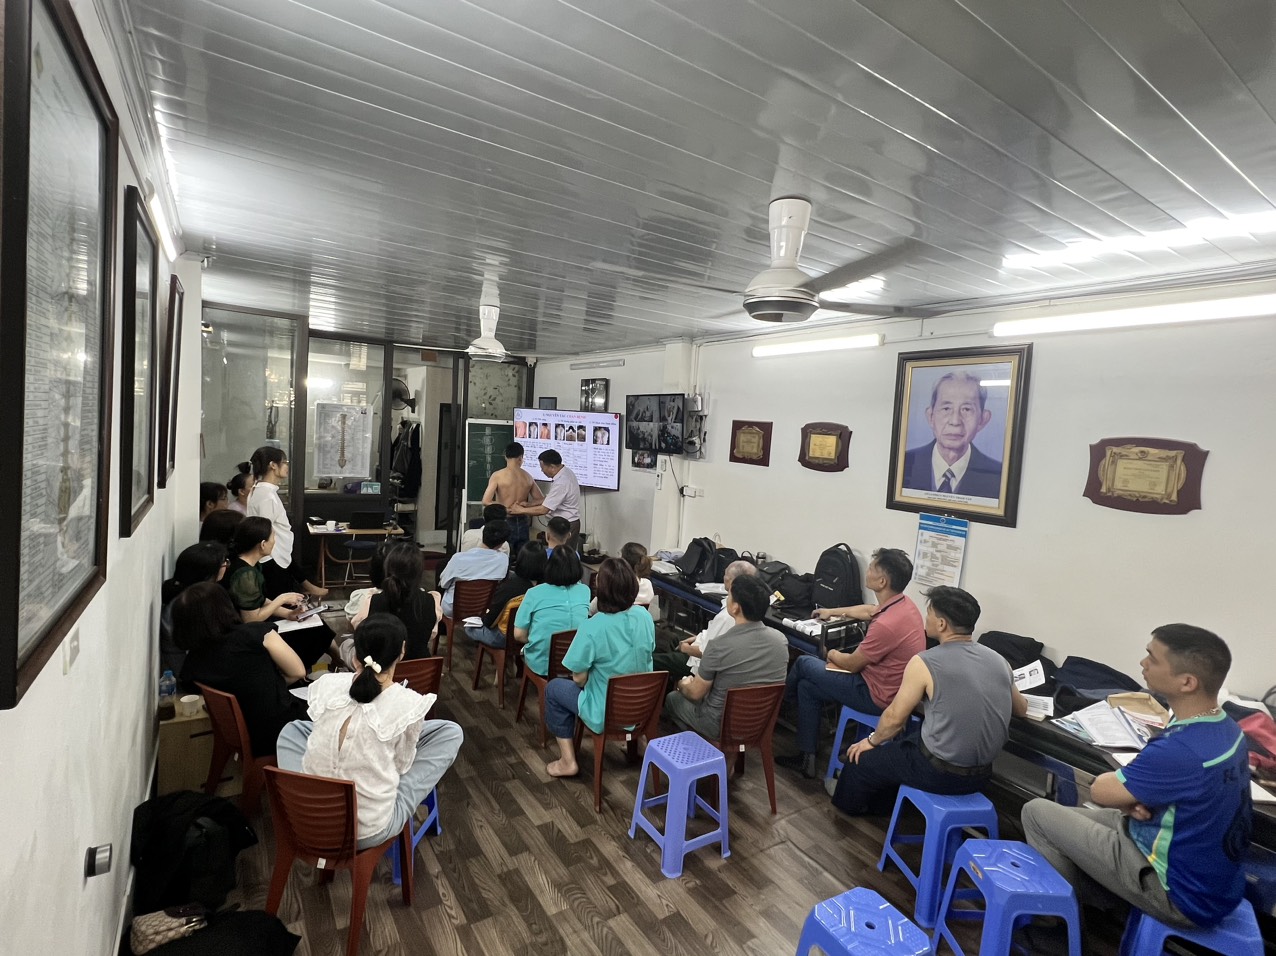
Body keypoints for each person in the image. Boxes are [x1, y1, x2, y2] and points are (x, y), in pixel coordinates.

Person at [1021, 625, 1250, 931]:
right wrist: (1129, 801)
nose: (1143, 664)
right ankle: (1097, 902)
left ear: (1187, 682)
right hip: (1208, 877)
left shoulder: (1182, 749)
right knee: (1081, 819)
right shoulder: (1228, 729)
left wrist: (1124, 796)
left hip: (1178, 894)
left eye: (1152, 658)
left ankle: (1060, 924)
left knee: (1036, 812)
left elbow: (1101, 791)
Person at [830, 586, 1027, 815]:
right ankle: (895, 805)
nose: (926, 618)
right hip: (983, 776)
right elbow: (1021, 709)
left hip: (940, 773)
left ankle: (846, 808)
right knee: (907, 743)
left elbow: (894, 718)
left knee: (859, 760)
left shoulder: (924, 662)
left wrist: (871, 742)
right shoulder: (1000, 661)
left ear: (941, 624)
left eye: (930, 613)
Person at [275, 615, 464, 849]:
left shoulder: (328, 684)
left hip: (308, 819)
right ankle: (382, 791)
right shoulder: (409, 703)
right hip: (366, 831)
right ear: (402, 651)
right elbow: (402, 766)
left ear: (355, 655)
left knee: (294, 729)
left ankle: (312, 783)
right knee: (450, 732)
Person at [780, 548, 926, 779]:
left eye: (872, 568)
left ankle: (776, 709)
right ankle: (806, 758)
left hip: (875, 696)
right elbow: (869, 611)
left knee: (804, 663)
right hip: (890, 689)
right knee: (807, 688)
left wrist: (830, 653)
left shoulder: (886, 625)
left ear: (882, 581)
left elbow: (852, 665)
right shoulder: (904, 605)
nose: (867, 571)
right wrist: (831, 611)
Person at [543, 558, 656, 778]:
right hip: (643, 706)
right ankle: (639, 742)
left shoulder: (593, 626)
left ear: (601, 589)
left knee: (554, 689)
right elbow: (648, 652)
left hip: (606, 711)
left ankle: (567, 761)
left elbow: (578, 678)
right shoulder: (644, 616)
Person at [172, 582, 309, 757]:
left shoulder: (192, 663)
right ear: (225, 607)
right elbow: (298, 672)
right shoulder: (255, 634)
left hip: (242, 734)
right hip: (284, 729)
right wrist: (271, 683)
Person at [664, 574, 788, 739]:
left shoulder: (719, 646)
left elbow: (695, 694)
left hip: (719, 726)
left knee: (673, 699)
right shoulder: (781, 641)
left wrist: (683, 684)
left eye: (729, 595)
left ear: (735, 607)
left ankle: (697, 746)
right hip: (759, 723)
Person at [222, 516, 332, 672]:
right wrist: (281, 599)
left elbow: (257, 600)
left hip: (251, 627)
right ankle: (294, 675)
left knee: (318, 627)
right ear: (262, 544)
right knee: (315, 633)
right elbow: (251, 620)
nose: (275, 541)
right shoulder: (245, 574)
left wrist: (288, 614)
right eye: (273, 537)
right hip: (245, 634)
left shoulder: (248, 565)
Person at [652, 561, 758, 682]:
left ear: (732, 582)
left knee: (653, 660)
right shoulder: (747, 610)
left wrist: (686, 649)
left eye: (726, 575)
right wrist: (696, 638)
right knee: (669, 640)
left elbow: (710, 654)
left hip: (697, 663)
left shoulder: (728, 616)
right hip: (700, 647)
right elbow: (715, 636)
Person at [902, 371, 1003, 498]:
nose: (955, 421)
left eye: (966, 409)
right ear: (931, 416)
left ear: (982, 419)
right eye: (946, 408)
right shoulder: (904, 464)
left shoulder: (999, 476)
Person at [245, 445, 328, 599]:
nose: (287, 466)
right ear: (273, 465)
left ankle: (306, 586)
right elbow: (264, 530)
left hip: (275, 554)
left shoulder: (261, 491)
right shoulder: (266, 495)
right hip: (272, 557)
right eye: (284, 462)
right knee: (282, 600)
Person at [347, 542, 438, 660]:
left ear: (387, 568)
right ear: (419, 572)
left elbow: (357, 628)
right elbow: (431, 634)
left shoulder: (373, 600)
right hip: (420, 667)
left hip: (380, 667)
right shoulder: (432, 600)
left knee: (345, 646)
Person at [514, 546, 591, 680]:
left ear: (549, 567)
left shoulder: (534, 593)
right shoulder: (585, 591)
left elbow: (519, 635)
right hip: (576, 665)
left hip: (542, 665)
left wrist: (538, 638)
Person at [159, 542, 228, 677]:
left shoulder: (188, 594)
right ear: (208, 574)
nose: (226, 565)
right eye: (223, 563)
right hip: (187, 671)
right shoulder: (192, 604)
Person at [465, 542, 547, 649]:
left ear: (520, 560)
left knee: (469, 628)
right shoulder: (546, 587)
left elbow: (490, 621)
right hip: (533, 635)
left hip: (504, 637)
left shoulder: (510, 586)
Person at [433, 519, 510, 620]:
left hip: (453, 609)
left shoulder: (458, 558)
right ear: (502, 543)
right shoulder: (503, 560)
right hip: (483, 609)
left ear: (483, 534)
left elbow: (443, 584)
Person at [510, 449, 581, 551]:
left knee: (562, 556)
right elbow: (552, 498)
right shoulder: (565, 471)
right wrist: (530, 504)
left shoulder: (562, 482)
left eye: (542, 467)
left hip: (564, 526)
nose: (541, 471)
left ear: (552, 467)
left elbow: (544, 510)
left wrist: (520, 510)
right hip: (564, 523)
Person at [481, 442, 543, 555]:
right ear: (520, 457)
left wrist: (505, 509)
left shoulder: (498, 475)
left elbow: (486, 501)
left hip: (504, 519)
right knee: (522, 556)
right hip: (523, 520)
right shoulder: (528, 477)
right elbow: (541, 500)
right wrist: (527, 505)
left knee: (503, 554)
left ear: (505, 456)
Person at [589, 542, 654, 614]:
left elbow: (591, 610)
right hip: (636, 620)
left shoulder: (613, 584)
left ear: (622, 561)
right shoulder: (648, 584)